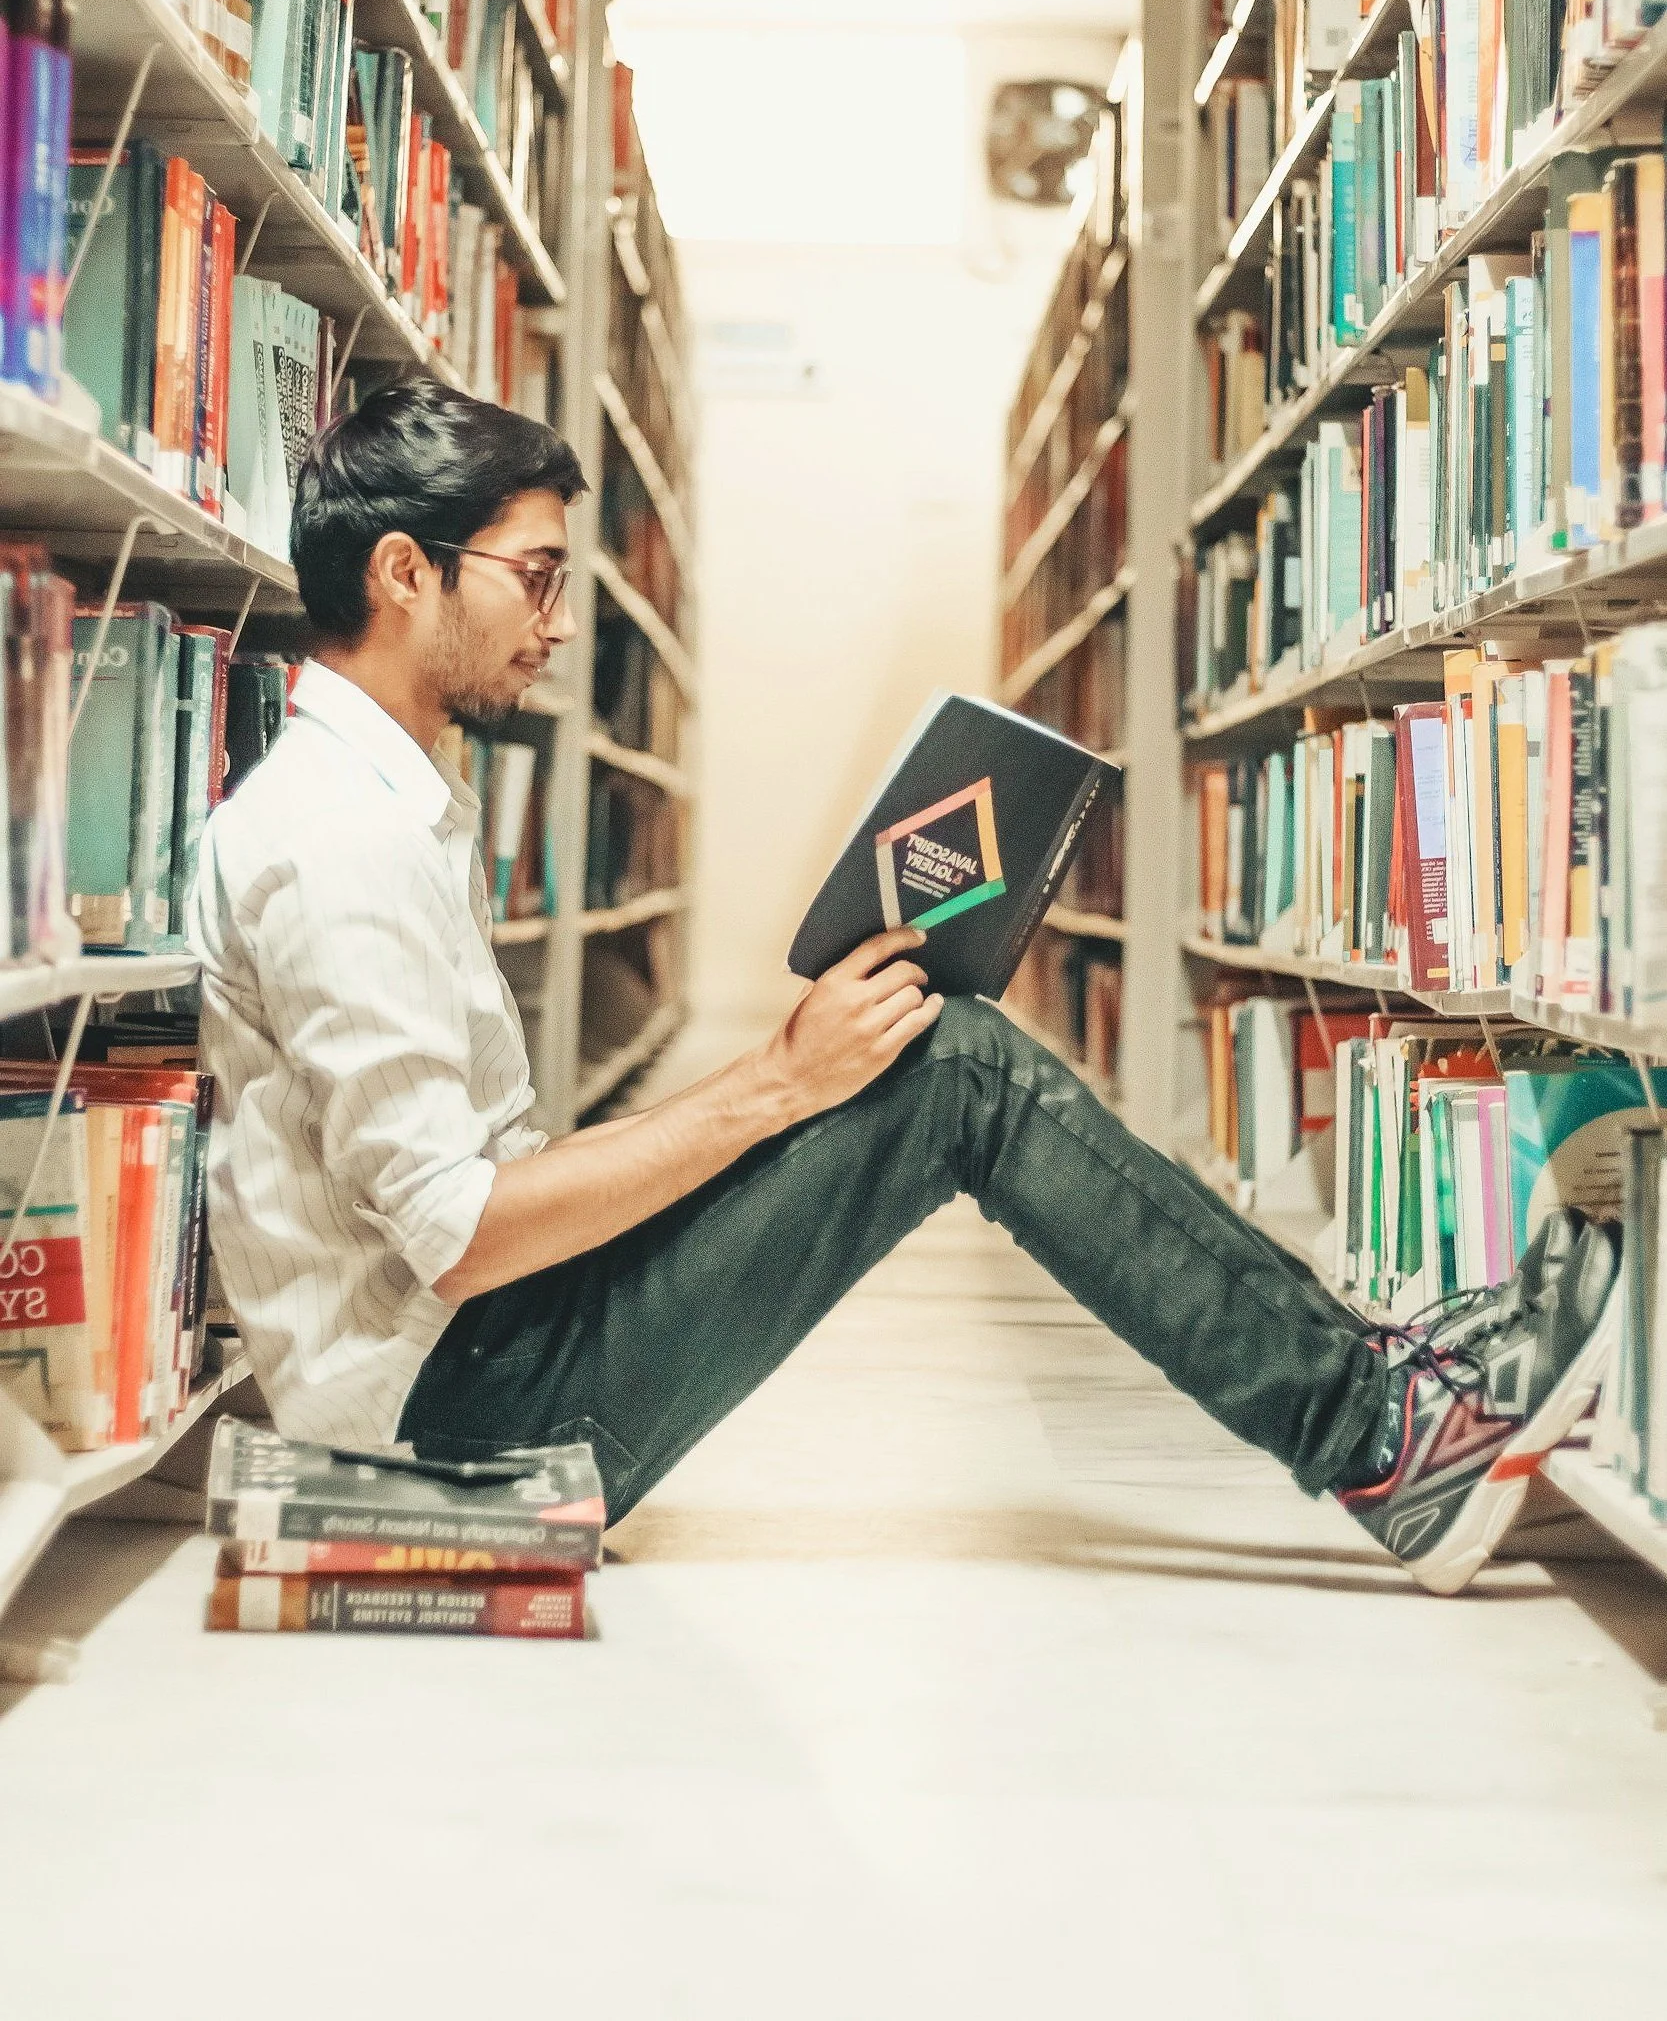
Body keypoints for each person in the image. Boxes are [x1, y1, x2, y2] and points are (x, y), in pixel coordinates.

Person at [190, 378, 1620, 1598]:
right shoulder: (337, 846)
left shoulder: (378, 804)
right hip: (464, 1429)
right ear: (401, 572)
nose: (561, 620)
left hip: (488, 1351)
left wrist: (777, 1090)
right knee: (954, 1075)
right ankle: (1380, 1432)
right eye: (535, 573)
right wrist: (775, 1085)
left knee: (925, 1053)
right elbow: (461, 1239)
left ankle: (1376, 1381)